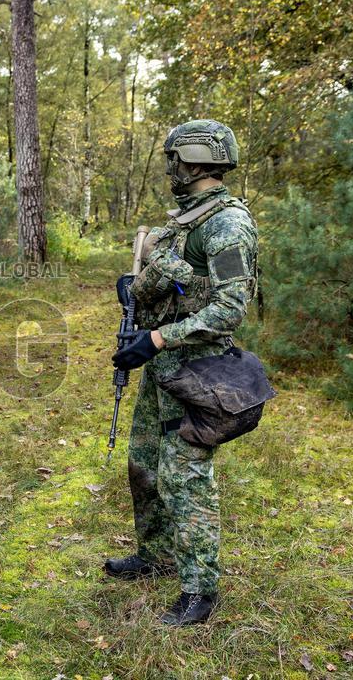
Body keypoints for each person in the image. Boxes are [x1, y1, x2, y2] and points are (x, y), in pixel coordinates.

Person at [107, 119, 259, 626]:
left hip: (197, 370)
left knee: (186, 477)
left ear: (193, 160)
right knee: (144, 463)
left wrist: (155, 339)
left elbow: (228, 310)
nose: (169, 166)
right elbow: (178, 281)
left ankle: (200, 590)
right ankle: (156, 556)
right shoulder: (190, 218)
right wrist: (136, 289)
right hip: (163, 366)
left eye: (174, 158)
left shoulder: (227, 224)